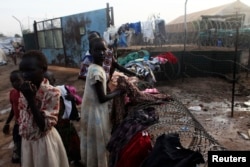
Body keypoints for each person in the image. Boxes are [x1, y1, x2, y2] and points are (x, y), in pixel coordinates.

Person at [18, 50, 69, 167]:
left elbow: (43, 126)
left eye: (30, 70)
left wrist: (31, 99)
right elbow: (23, 116)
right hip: (27, 141)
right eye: (22, 71)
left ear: (43, 70)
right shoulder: (25, 89)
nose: (24, 75)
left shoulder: (52, 92)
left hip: (44, 143)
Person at [80, 37, 125, 167]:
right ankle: (100, 163)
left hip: (91, 108)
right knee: (99, 138)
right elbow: (102, 98)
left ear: (107, 52)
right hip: (96, 111)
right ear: (90, 51)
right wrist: (118, 92)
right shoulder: (96, 71)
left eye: (103, 50)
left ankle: (92, 161)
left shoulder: (94, 67)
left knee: (92, 138)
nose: (100, 53)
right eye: (97, 50)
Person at [44, 71, 82, 167]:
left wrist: (72, 97)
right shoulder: (44, 96)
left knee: (74, 144)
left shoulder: (62, 90)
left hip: (66, 124)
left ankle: (76, 161)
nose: (48, 83)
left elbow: (78, 101)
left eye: (50, 80)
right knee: (61, 148)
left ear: (54, 80)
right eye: (46, 81)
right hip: (55, 128)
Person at [2, 70, 23, 164]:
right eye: (12, 81)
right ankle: (17, 154)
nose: (15, 83)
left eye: (17, 80)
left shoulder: (28, 93)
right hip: (18, 124)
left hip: (28, 125)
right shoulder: (13, 93)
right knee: (17, 140)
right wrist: (7, 122)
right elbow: (13, 109)